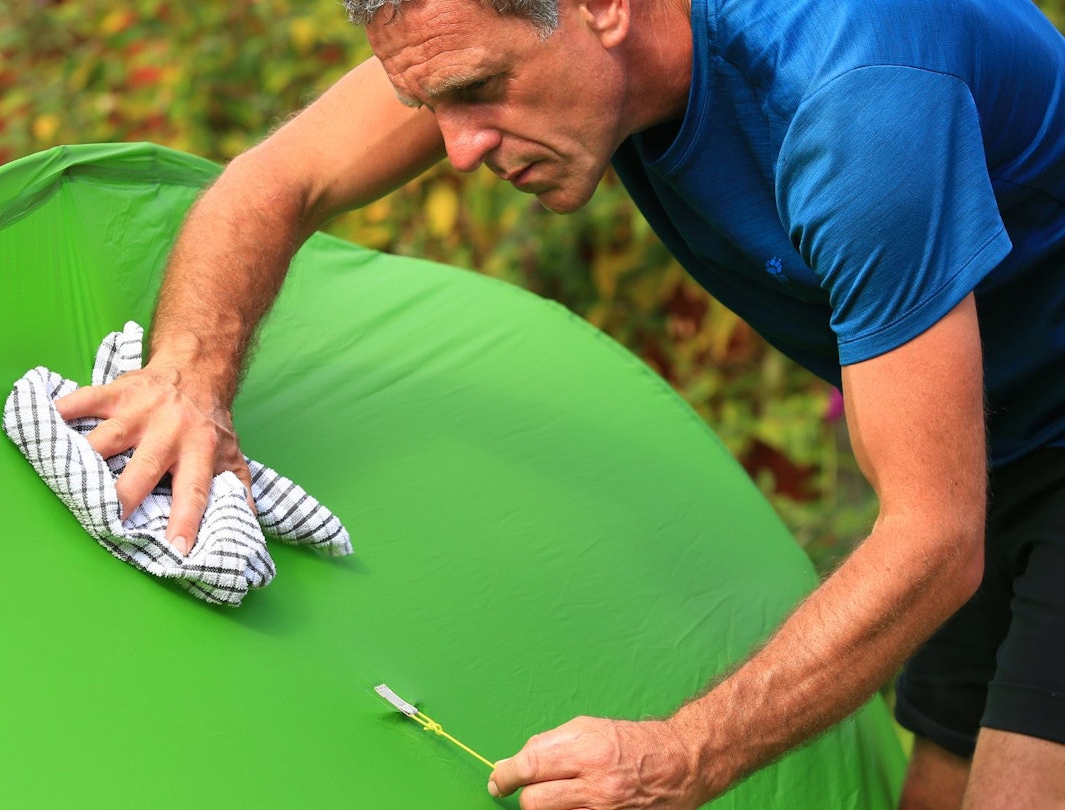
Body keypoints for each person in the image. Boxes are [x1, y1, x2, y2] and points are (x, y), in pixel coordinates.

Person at [54, 0, 1065, 806]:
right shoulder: (523, 40)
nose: (457, 152)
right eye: (433, 104)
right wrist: (187, 382)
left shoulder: (852, 105)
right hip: (991, 426)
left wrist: (682, 755)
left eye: (480, 92)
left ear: (602, 7)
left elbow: (932, 534)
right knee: (938, 785)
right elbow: (279, 178)